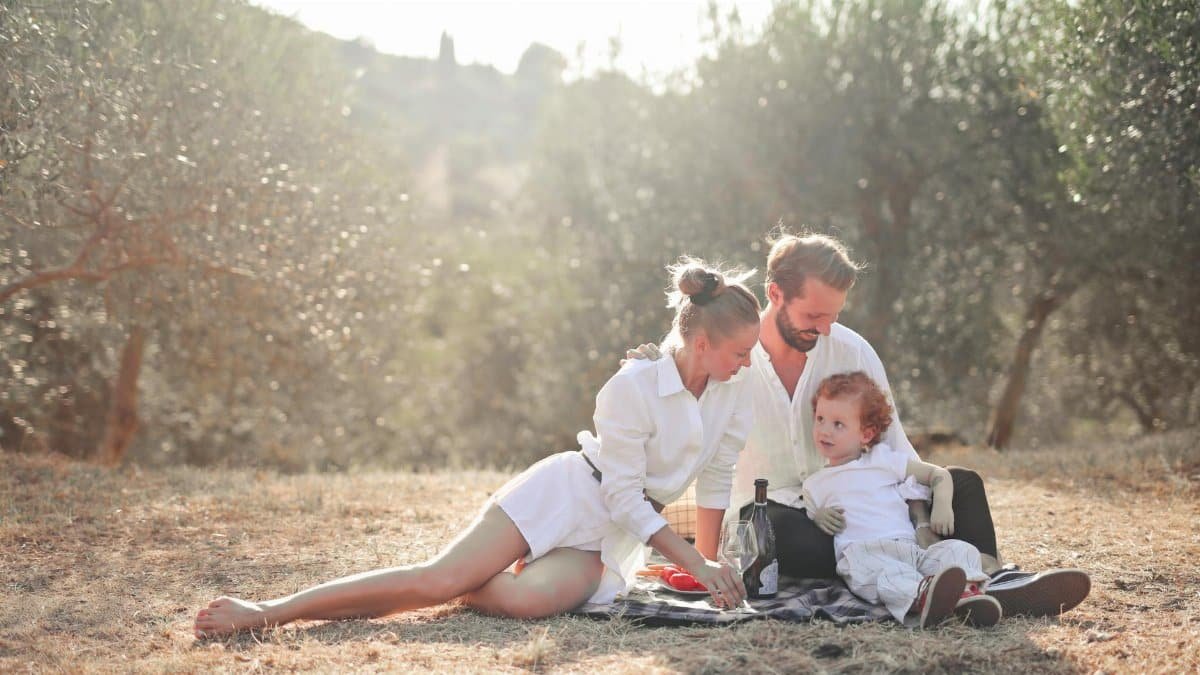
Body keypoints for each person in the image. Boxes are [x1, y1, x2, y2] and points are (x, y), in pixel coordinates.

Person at [194, 258, 761, 638]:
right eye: (740, 351)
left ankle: (472, 581)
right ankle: (267, 612)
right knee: (436, 581)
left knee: (525, 601)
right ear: (703, 342)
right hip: (567, 494)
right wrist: (694, 560)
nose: (748, 363)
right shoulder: (632, 386)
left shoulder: (731, 393)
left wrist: (708, 573)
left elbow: (716, 477)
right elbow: (620, 493)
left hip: (608, 539)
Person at [629, 232, 1090, 617]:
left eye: (834, 316)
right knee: (774, 525)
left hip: (869, 506)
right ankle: (937, 583)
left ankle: (991, 580)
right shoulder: (731, 358)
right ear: (775, 295)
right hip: (788, 522)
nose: (826, 329)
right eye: (814, 316)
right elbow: (679, 373)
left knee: (963, 483)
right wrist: (648, 368)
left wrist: (920, 517)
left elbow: (895, 449)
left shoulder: (851, 350)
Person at [803, 371, 1001, 628]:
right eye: (820, 419)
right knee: (889, 576)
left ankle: (973, 592)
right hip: (864, 554)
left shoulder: (882, 459)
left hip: (911, 549)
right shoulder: (814, 484)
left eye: (838, 424)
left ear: (866, 433)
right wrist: (818, 517)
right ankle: (926, 599)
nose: (824, 431)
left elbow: (936, 474)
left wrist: (942, 504)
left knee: (958, 550)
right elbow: (807, 514)